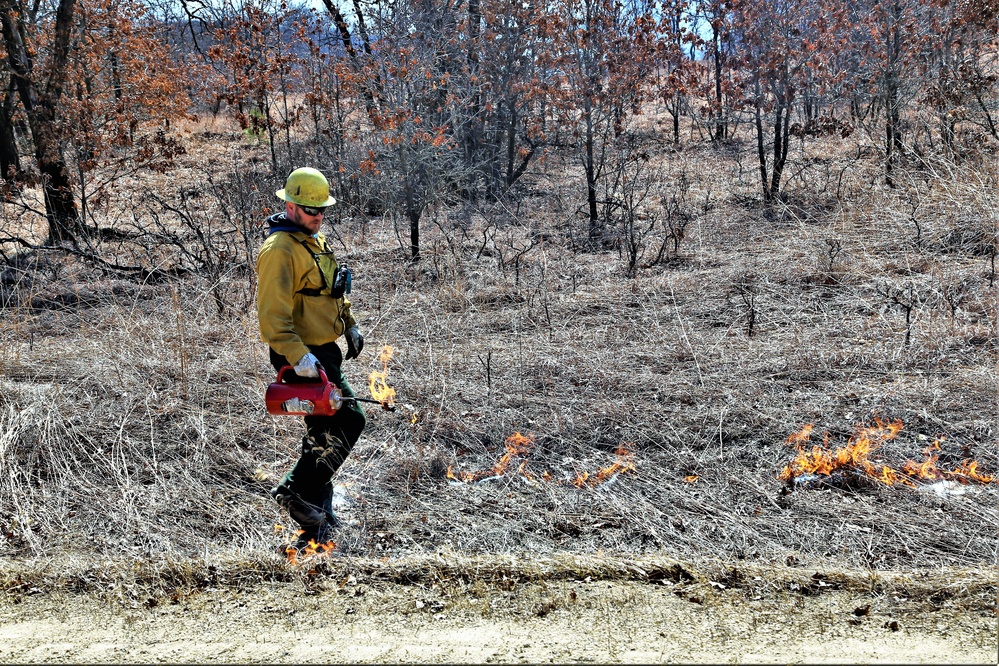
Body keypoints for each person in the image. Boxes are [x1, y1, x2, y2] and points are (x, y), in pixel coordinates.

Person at [256, 167, 366, 550]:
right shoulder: (279, 250)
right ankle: (296, 492)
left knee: (323, 431)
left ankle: (319, 519)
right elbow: (272, 319)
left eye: (322, 209)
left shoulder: (312, 240)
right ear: (290, 206)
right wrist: (299, 357)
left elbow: (332, 290)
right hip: (303, 355)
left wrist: (349, 324)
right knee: (349, 419)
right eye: (309, 209)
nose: (318, 215)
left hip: (324, 351)